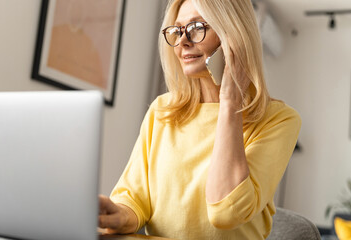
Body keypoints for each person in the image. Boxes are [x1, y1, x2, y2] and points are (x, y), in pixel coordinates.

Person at [98, 0, 301, 239]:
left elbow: (226, 213)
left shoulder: (278, 119)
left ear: (233, 35)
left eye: (196, 27)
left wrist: (230, 102)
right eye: (177, 30)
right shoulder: (161, 111)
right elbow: (134, 197)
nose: (182, 41)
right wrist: (120, 215)